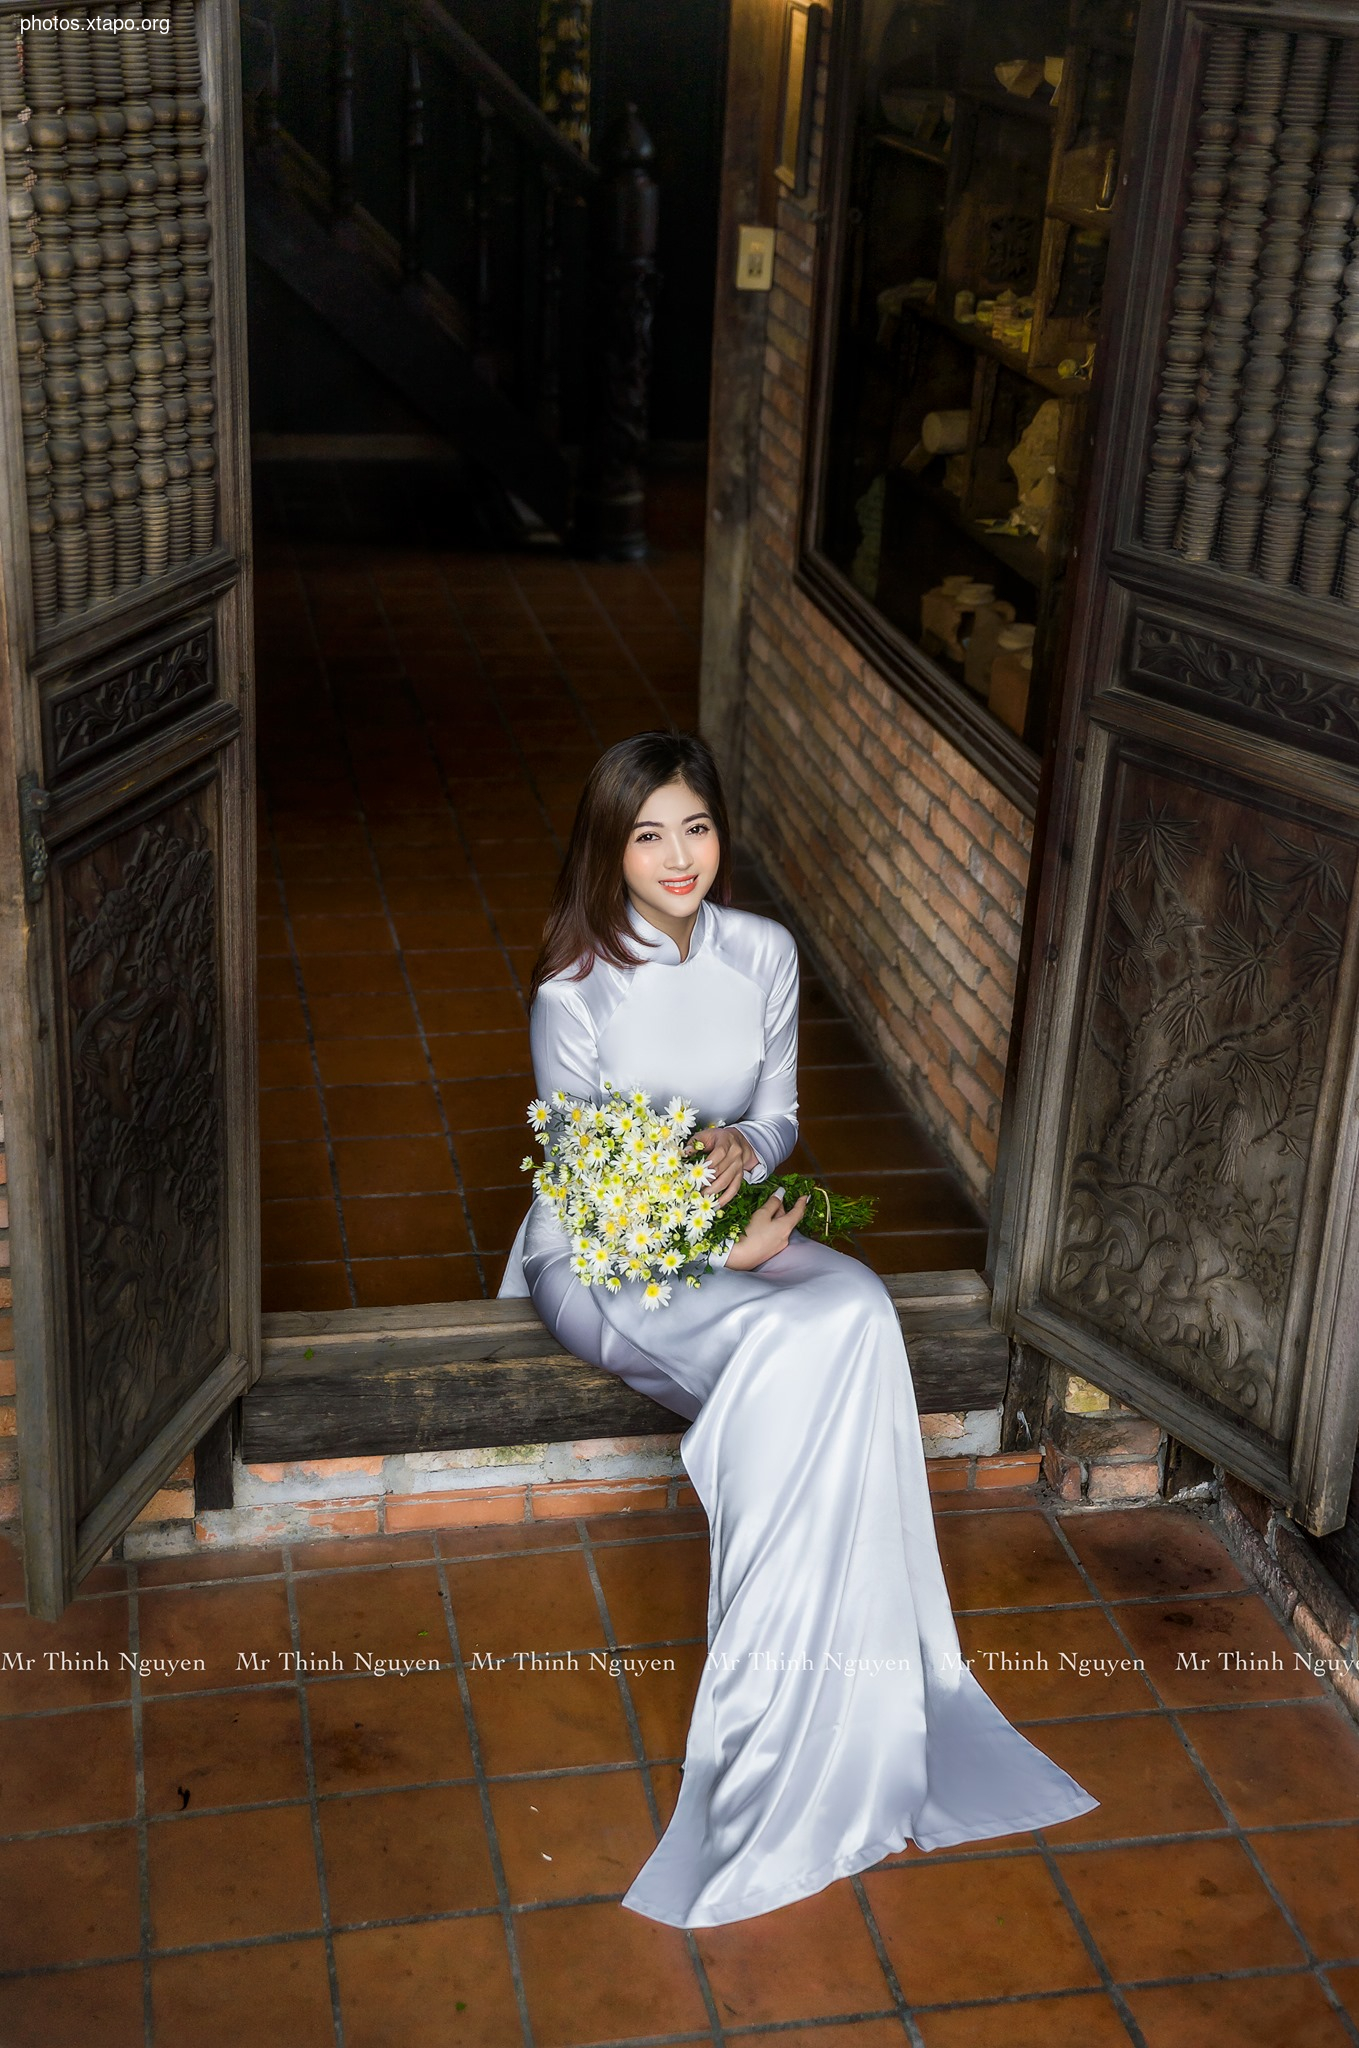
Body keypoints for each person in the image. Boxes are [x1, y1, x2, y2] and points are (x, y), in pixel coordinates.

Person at [498, 729, 1096, 1928]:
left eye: (698, 827)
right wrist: (728, 1249)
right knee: (790, 1342)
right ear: (609, 849)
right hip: (604, 1262)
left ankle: (864, 1706)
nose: (678, 857)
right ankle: (771, 1737)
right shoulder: (573, 990)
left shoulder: (763, 952)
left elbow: (775, 1115)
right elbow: (590, 1193)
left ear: (722, 832)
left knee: (861, 1310)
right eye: (649, 833)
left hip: (733, 1229)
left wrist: (743, 1150)